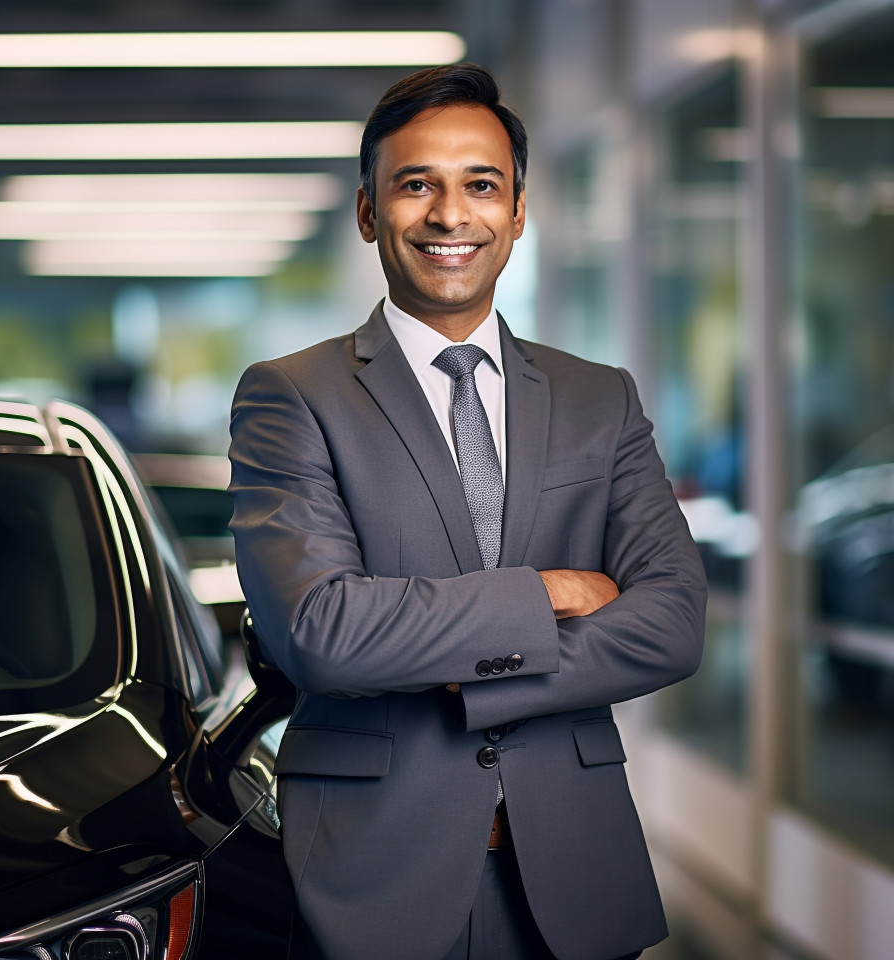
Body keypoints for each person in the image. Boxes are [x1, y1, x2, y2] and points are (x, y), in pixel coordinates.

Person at [229, 62, 707, 960]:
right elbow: (323, 631)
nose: (451, 216)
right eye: (417, 185)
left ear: (517, 211)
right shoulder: (291, 397)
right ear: (371, 211)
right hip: (372, 879)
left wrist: (454, 665)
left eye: (481, 185)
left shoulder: (599, 398)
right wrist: (551, 591)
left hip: (572, 872)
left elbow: (674, 623)